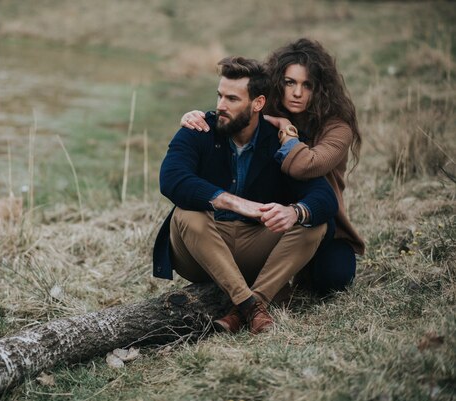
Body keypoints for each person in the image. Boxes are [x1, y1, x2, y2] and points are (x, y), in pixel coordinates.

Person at [152, 56, 338, 335]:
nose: (220, 106)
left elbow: (323, 196)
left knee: (313, 223)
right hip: (200, 250)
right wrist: (234, 202)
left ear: (258, 104)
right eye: (219, 96)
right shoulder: (199, 129)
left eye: (232, 99)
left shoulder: (277, 141)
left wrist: (294, 212)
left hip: (255, 246)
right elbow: (171, 179)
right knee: (186, 212)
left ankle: (248, 305)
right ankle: (252, 307)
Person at [180, 39, 364, 296]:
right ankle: (256, 291)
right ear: (278, 83)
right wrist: (197, 117)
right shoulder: (266, 110)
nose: (297, 92)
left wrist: (286, 129)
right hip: (267, 218)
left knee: (333, 280)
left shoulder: (337, 129)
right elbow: (234, 108)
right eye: (290, 83)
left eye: (306, 85)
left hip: (318, 215)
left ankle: (285, 275)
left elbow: (304, 166)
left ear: (320, 89)